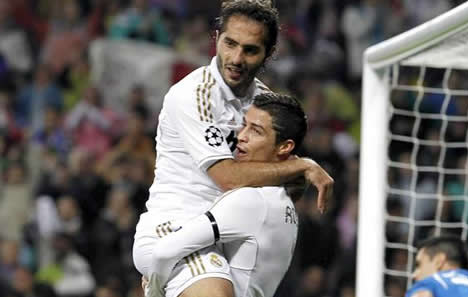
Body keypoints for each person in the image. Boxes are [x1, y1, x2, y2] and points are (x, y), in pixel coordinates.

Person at [133, 1, 332, 297]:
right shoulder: (193, 94)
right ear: (217, 39)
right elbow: (227, 176)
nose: (236, 58)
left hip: (234, 238)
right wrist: (301, 166)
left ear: (269, 54)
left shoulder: (266, 105)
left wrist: (292, 175)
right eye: (230, 43)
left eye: (250, 50)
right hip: (177, 229)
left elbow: (285, 181)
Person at [144, 92, 307, 297]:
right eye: (244, 125)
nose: (241, 136)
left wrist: (154, 291)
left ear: (285, 147)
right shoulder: (286, 204)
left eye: (256, 131)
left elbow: (164, 251)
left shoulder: (250, 200)